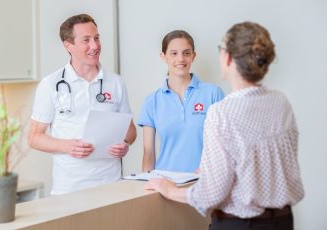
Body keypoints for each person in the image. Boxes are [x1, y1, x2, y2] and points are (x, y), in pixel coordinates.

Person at [145, 22, 304, 230]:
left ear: (228, 58)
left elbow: (212, 193)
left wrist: (169, 190)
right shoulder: (281, 103)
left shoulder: (221, 112)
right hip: (283, 221)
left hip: (239, 223)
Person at [28, 14, 136, 195]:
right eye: (86, 40)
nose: (95, 46)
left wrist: (125, 143)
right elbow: (34, 138)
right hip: (70, 189)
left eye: (97, 38)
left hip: (112, 186)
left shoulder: (116, 82)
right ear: (68, 45)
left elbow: (131, 130)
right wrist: (68, 146)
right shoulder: (51, 85)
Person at [138, 30, 224, 173]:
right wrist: (146, 187)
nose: (181, 59)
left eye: (186, 53)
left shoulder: (213, 94)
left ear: (193, 56)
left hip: (205, 184)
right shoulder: (152, 101)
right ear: (163, 56)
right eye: (174, 53)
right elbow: (148, 153)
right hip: (164, 185)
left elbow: (224, 146)